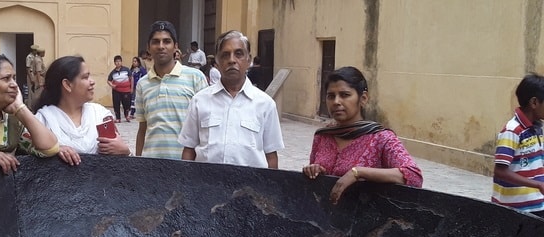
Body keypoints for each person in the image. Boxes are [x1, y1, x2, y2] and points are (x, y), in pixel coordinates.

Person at [302, 66, 422, 204]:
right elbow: (314, 182)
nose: (336, 102)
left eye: (345, 95)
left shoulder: (380, 138)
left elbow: (413, 176)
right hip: (325, 218)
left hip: (364, 218)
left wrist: (358, 172)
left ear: (363, 98)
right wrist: (314, 170)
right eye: (331, 96)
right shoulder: (323, 136)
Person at [179, 30, 283, 169]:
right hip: (206, 187)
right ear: (217, 61)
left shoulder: (265, 104)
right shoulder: (199, 101)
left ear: (249, 60)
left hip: (251, 189)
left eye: (239, 54)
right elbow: (189, 150)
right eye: (225, 55)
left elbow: (270, 156)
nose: (232, 60)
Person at [34, 55, 130, 166]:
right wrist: (54, 150)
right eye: (85, 77)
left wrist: (125, 151)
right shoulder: (43, 120)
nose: (92, 82)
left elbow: (118, 161)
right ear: (67, 84)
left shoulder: (100, 115)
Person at [135, 20, 208, 159]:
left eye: (166, 41)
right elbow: (142, 128)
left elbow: (205, 127)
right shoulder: (142, 84)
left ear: (175, 47)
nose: (161, 46)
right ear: (148, 48)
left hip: (185, 166)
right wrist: (138, 163)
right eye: (156, 42)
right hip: (152, 165)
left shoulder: (195, 78)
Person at [491, 73, 544, 216]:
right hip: (515, 210)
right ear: (534, 103)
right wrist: (537, 185)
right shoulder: (512, 130)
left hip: (537, 204)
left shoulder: (539, 128)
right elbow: (500, 171)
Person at [106, 55, 133, 123]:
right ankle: (118, 118)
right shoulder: (113, 72)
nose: (118, 63)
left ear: (121, 62)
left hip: (126, 90)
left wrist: (131, 88)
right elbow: (108, 80)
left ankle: (127, 116)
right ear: (114, 63)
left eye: (119, 61)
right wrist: (112, 85)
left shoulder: (126, 70)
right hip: (116, 91)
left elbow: (131, 78)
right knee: (116, 104)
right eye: (116, 61)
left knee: (127, 104)